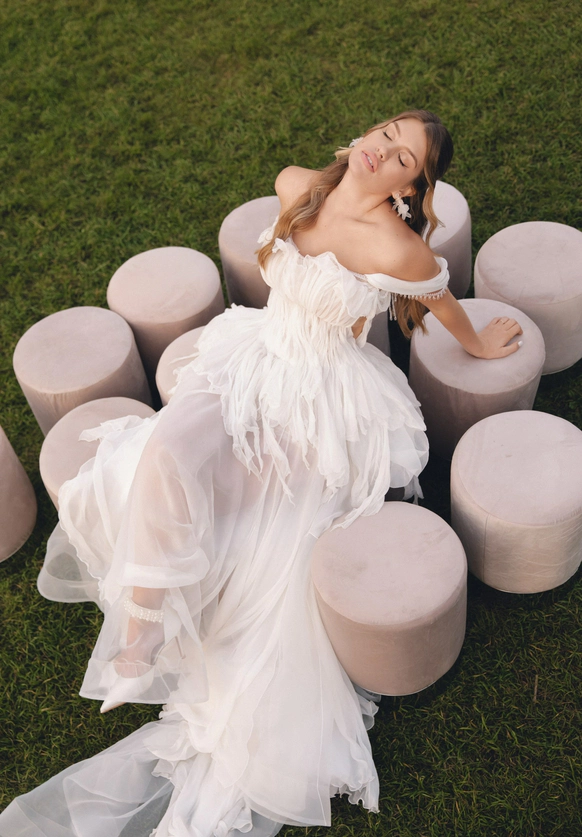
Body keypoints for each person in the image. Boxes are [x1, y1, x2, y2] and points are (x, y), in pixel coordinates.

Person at [0, 110, 522, 837]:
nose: (384, 150)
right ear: (365, 135)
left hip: (322, 398)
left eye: (404, 156)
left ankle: (187, 631)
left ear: (412, 186)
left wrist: (481, 344)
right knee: (167, 448)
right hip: (255, 356)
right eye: (386, 133)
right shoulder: (296, 185)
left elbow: (442, 305)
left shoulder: (398, 247)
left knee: (262, 527)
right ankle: (141, 636)